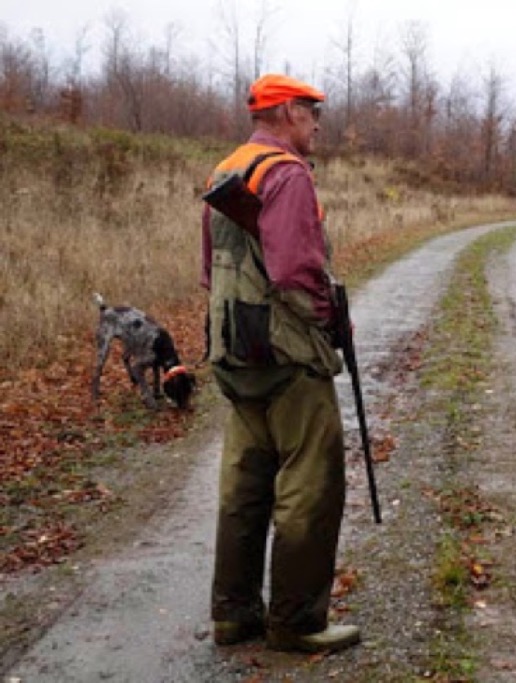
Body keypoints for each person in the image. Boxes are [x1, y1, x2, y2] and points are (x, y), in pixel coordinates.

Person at [200, 74, 360, 652]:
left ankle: (233, 615)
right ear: (287, 112)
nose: (318, 123)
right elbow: (296, 272)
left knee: (244, 486)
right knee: (310, 487)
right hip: (288, 354)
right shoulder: (287, 174)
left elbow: (209, 268)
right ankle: (297, 623)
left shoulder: (227, 170)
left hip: (235, 350)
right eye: (313, 113)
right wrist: (331, 321)